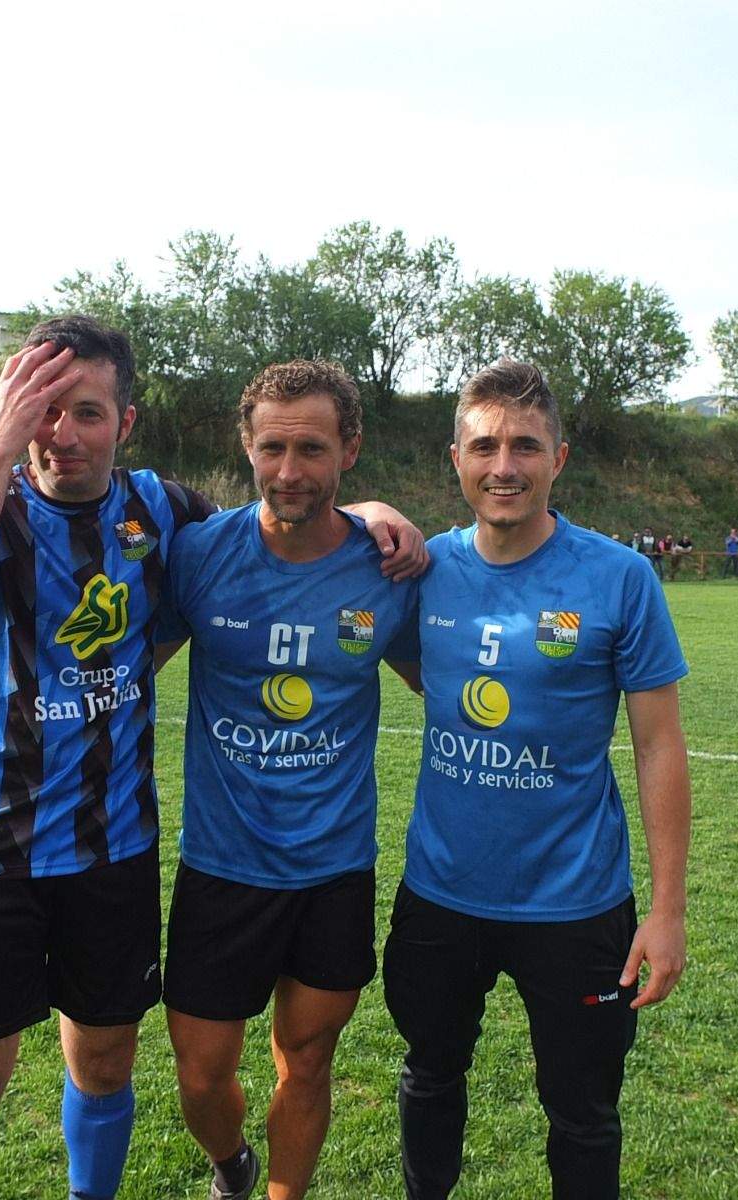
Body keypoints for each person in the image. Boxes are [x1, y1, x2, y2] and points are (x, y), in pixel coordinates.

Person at [0, 316, 423, 1200]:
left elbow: (282, 521)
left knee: (105, 1063)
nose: (63, 434)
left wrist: (370, 512)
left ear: (125, 421)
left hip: (113, 844)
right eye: (42, 409)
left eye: (87, 411)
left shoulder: (163, 513)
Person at [385, 360, 690, 1200]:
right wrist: (373, 510)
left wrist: (667, 911)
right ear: (456, 458)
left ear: (559, 458)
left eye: (525, 445)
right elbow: (414, 665)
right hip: (441, 893)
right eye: (484, 446)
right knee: (430, 1075)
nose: (504, 466)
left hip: (578, 903)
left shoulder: (620, 578)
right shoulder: (424, 571)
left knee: (584, 1113)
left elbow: (660, 746)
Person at [158, 361, 421, 1200]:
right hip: (221, 866)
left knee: (307, 1061)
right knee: (201, 1075)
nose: (289, 471)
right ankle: (232, 1163)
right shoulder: (199, 556)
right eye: (272, 448)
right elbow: (121, 665)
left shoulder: (388, 572)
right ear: (247, 445)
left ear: (350, 449)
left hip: (332, 870)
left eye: (312, 449)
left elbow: (441, 681)